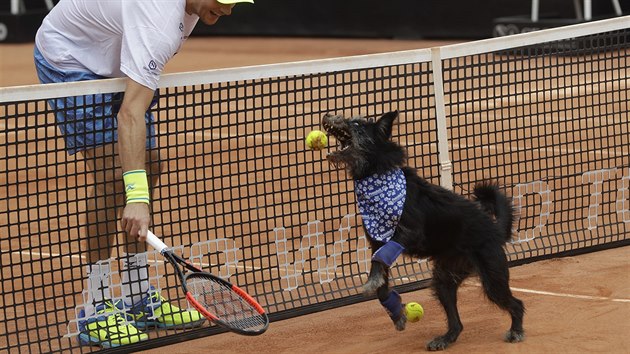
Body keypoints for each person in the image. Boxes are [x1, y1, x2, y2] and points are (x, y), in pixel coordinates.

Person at [33, 0, 254, 348]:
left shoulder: (192, 10)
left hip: (111, 55)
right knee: (111, 175)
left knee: (149, 165)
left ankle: (137, 297)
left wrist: (138, 189)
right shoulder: (159, 20)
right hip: (69, 54)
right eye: (221, 1)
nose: (227, 10)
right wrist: (136, 199)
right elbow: (130, 113)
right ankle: (96, 308)